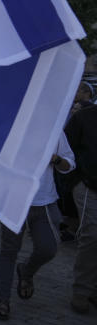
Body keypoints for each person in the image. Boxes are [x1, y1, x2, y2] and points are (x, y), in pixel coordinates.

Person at [0, 134, 74, 320]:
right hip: (13, 200)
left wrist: (56, 159)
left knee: (49, 248)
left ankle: (26, 271)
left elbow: (69, 164)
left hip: (43, 202)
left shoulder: (55, 129)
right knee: (9, 251)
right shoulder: (13, 124)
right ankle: (2, 299)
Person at [65, 100, 97, 314]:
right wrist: (76, 183)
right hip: (89, 187)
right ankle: (81, 291)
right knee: (92, 235)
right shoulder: (83, 117)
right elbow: (67, 149)